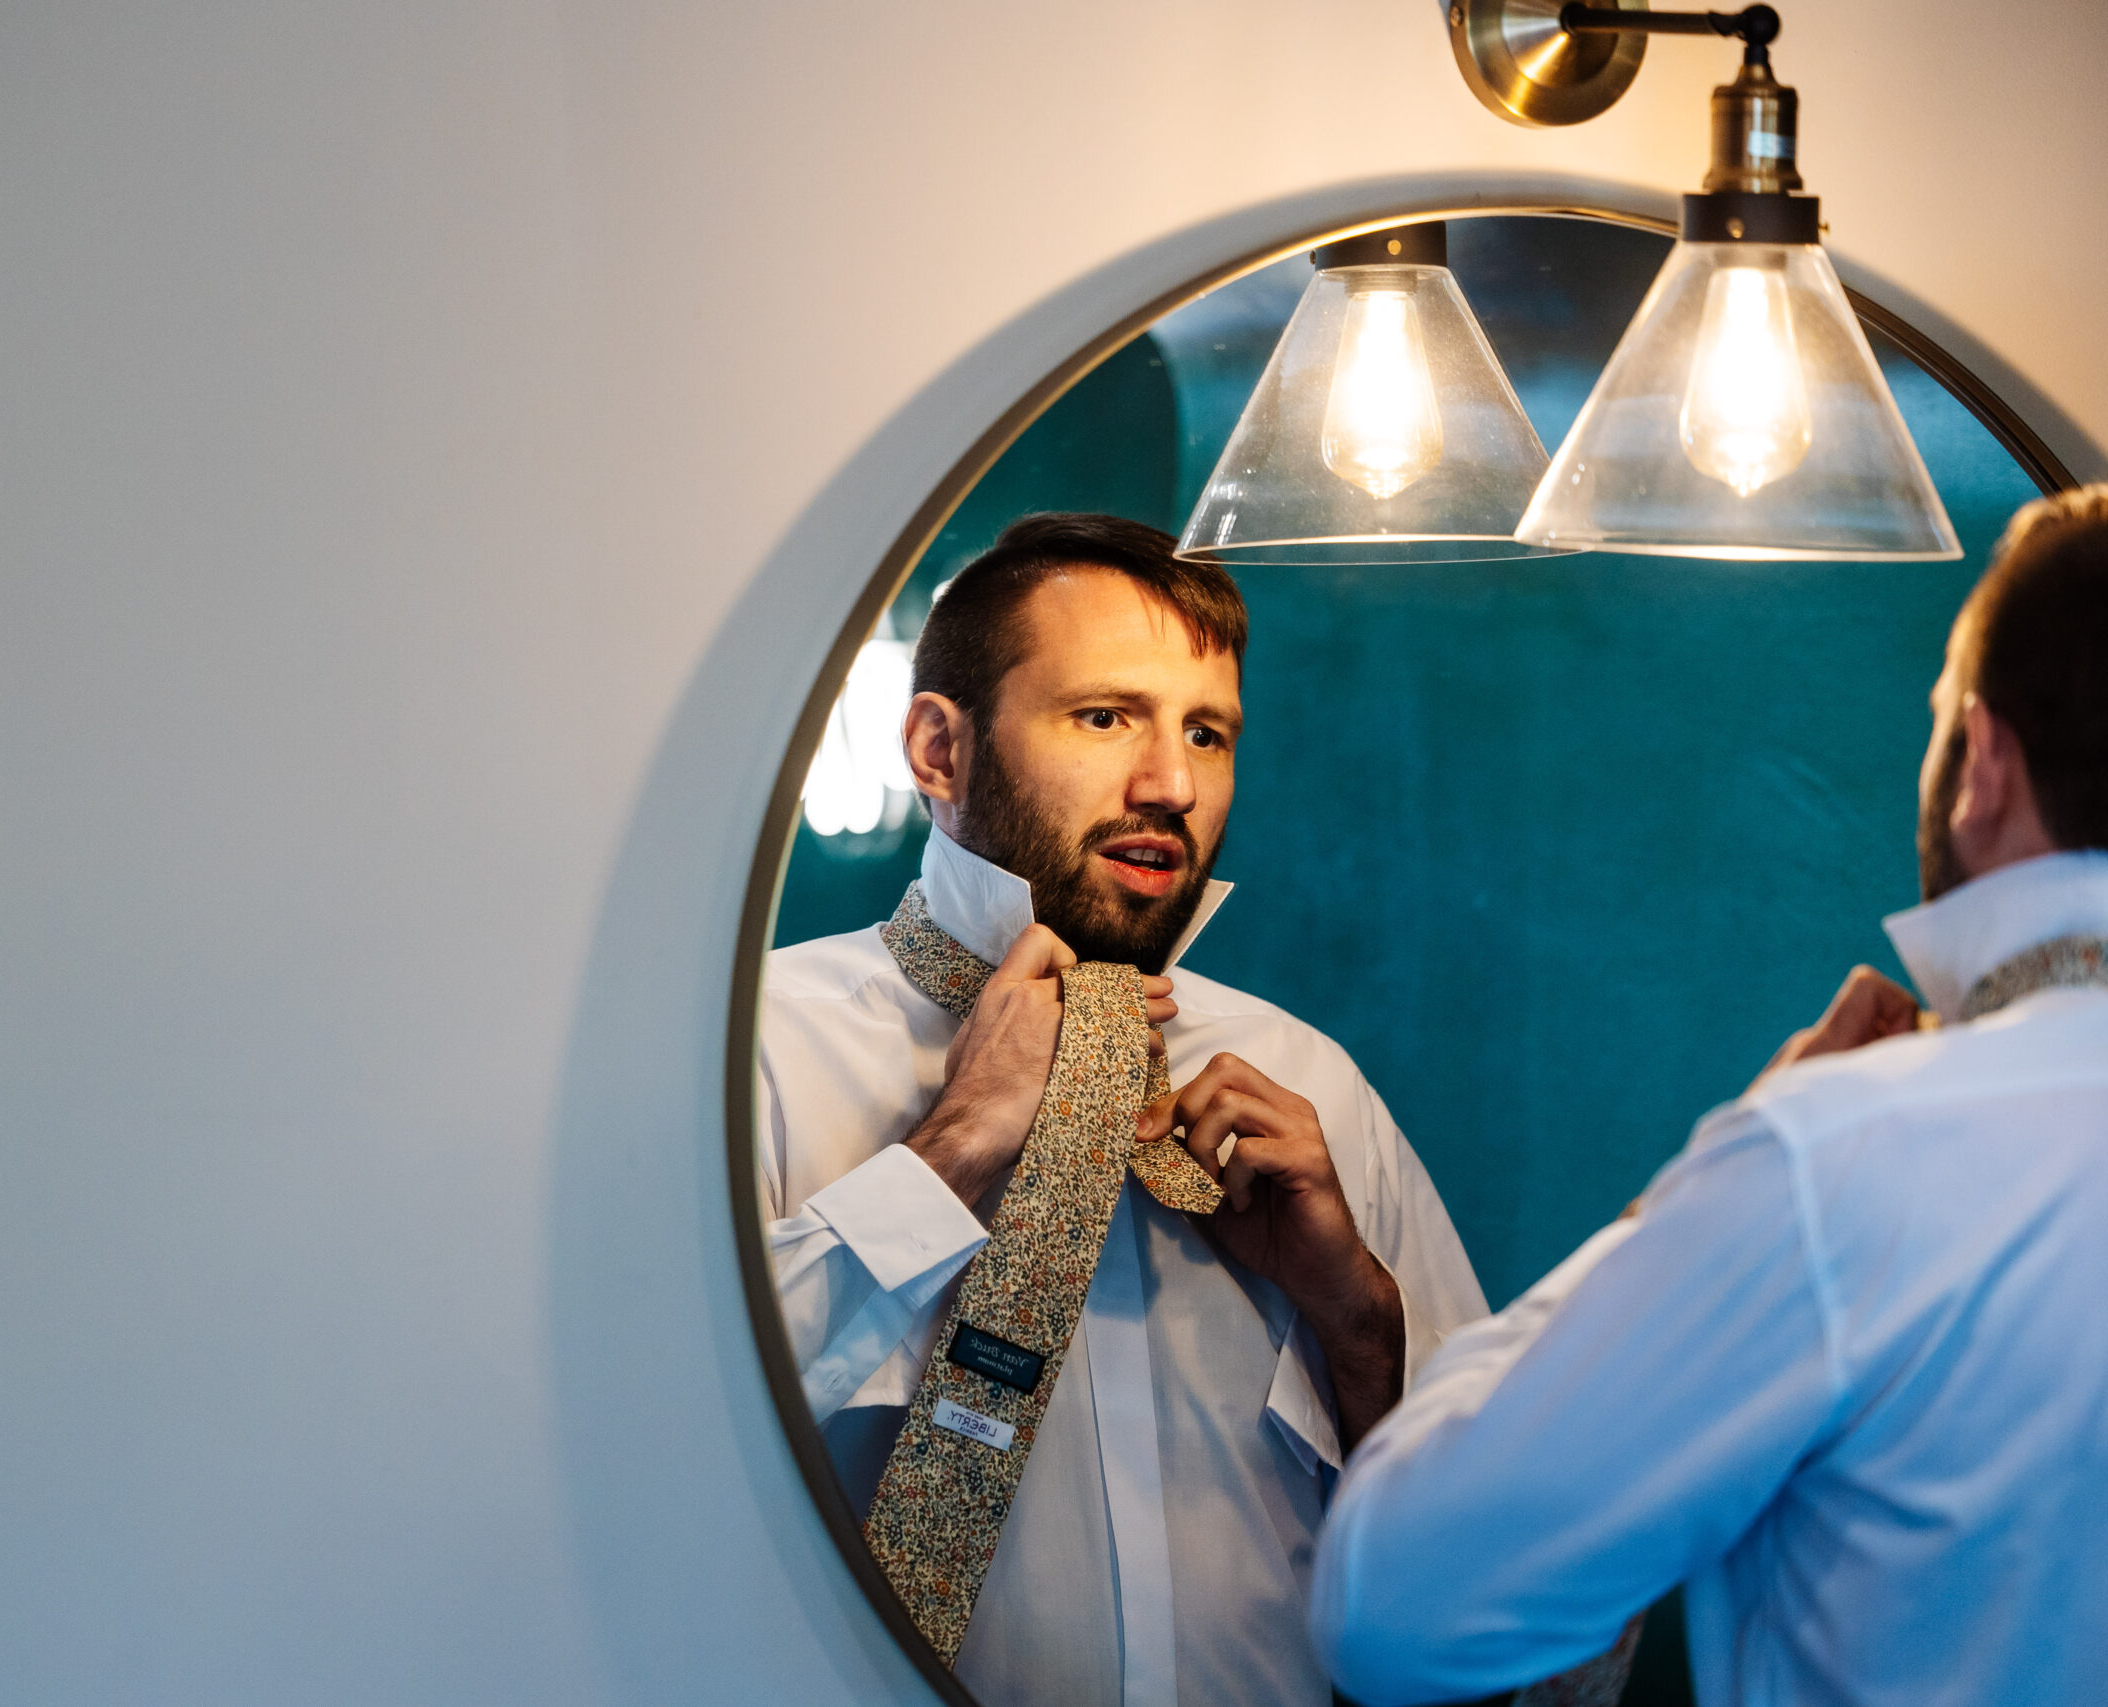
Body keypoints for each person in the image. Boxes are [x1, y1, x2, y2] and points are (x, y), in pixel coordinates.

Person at [1310, 487, 2108, 1707]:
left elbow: (1394, 1604)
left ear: (1981, 767)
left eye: (1939, 719)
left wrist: (1692, 1199)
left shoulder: (1840, 1159)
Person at [761, 513, 1487, 1707]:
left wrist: (1358, 1323)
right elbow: (648, 1465)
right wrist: (944, 1161)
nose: (1172, 785)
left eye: (1207, 733)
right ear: (940, 751)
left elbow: (1496, 1561)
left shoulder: (1311, 1087)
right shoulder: (765, 1055)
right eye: (1105, 717)